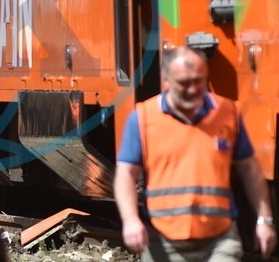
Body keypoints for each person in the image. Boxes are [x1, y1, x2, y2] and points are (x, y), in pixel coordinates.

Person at [114, 46, 277, 260]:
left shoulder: (228, 113)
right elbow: (126, 173)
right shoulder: (143, 118)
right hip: (163, 241)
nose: (192, 89)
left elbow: (249, 169)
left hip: (220, 240)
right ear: (166, 79)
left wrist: (264, 220)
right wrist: (130, 220)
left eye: (198, 81)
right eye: (184, 83)